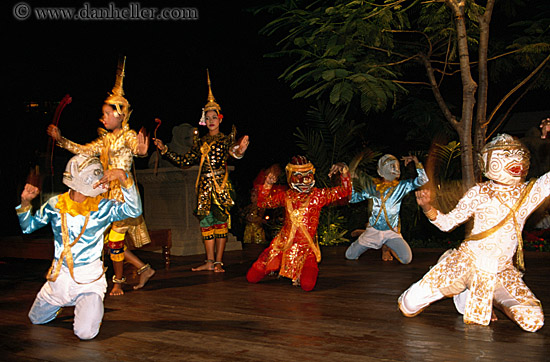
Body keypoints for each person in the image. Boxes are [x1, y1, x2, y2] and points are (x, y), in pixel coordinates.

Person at [398, 134, 549, 332]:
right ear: (489, 161)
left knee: (533, 321)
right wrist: (427, 208)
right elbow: (446, 224)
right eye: (506, 155)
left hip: (500, 271)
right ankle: (456, 273)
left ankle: (492, 297)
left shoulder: (528, 194)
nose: (515, 161)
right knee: (408, 305)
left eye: (517, 155)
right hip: (464, 263)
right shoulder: (479, 193)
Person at [47, 57, 155, 296]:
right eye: (103, 113)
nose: (103, 118)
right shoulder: (105, 139)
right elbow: (84, 150)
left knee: (115, 241)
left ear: (121, 115)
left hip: (123, 195)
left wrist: (142, 150)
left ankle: (118, 281)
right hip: (105, 193)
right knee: (107, 242)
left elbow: (136, 148)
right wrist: (62, 140)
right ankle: (143, 268)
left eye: (107, 113)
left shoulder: (127, 135)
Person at [17, 154, 142, 340]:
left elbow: (134, 210)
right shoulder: (55, 204)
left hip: (88, 281)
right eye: (98, 177)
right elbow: (28, 228)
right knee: (35, 319)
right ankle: (62, 303)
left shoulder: (103, 207)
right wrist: (26, 202)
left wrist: (124, 178)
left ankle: (90, 304)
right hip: (58, 280)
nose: (104, 181)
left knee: (85, 334)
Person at [153, 70, 249, 272]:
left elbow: (232, 153)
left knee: (221, 223)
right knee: (206, 223)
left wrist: (239, 150)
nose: (211, 120)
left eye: (214, 117)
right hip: (204, 187)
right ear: (204, 120)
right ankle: (209, 261)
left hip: (221, 185)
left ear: (220, 119)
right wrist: (166, 150)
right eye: (208, 117)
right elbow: (185, 160)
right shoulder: (201, 142)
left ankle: (219, 262)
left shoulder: (225, 139)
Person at [246, 156, 352, 291]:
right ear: (291, 177)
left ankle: (299, 271)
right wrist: (267, 183)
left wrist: (343, 170)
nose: (305, 180)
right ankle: (280, 268)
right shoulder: (285, 195)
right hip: (282, 246)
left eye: (308, 175)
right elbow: (262, 202)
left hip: (306, 250)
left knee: (308, 286)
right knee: (252, 277)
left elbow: (345, 191)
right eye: (299, 176)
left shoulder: (318, 196)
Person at [345, 154, 428, 264]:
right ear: (380, 172)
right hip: (373, 231)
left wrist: (416, 162)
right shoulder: (373, 188)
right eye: (391, 165)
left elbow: (423, 180)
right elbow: (353, 199)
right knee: (350, 255)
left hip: (391, 232)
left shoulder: (402, 186)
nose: (395, 168)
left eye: (396, 166)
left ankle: (386, 245)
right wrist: (348, 180)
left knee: (406, 259)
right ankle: (364, 234)